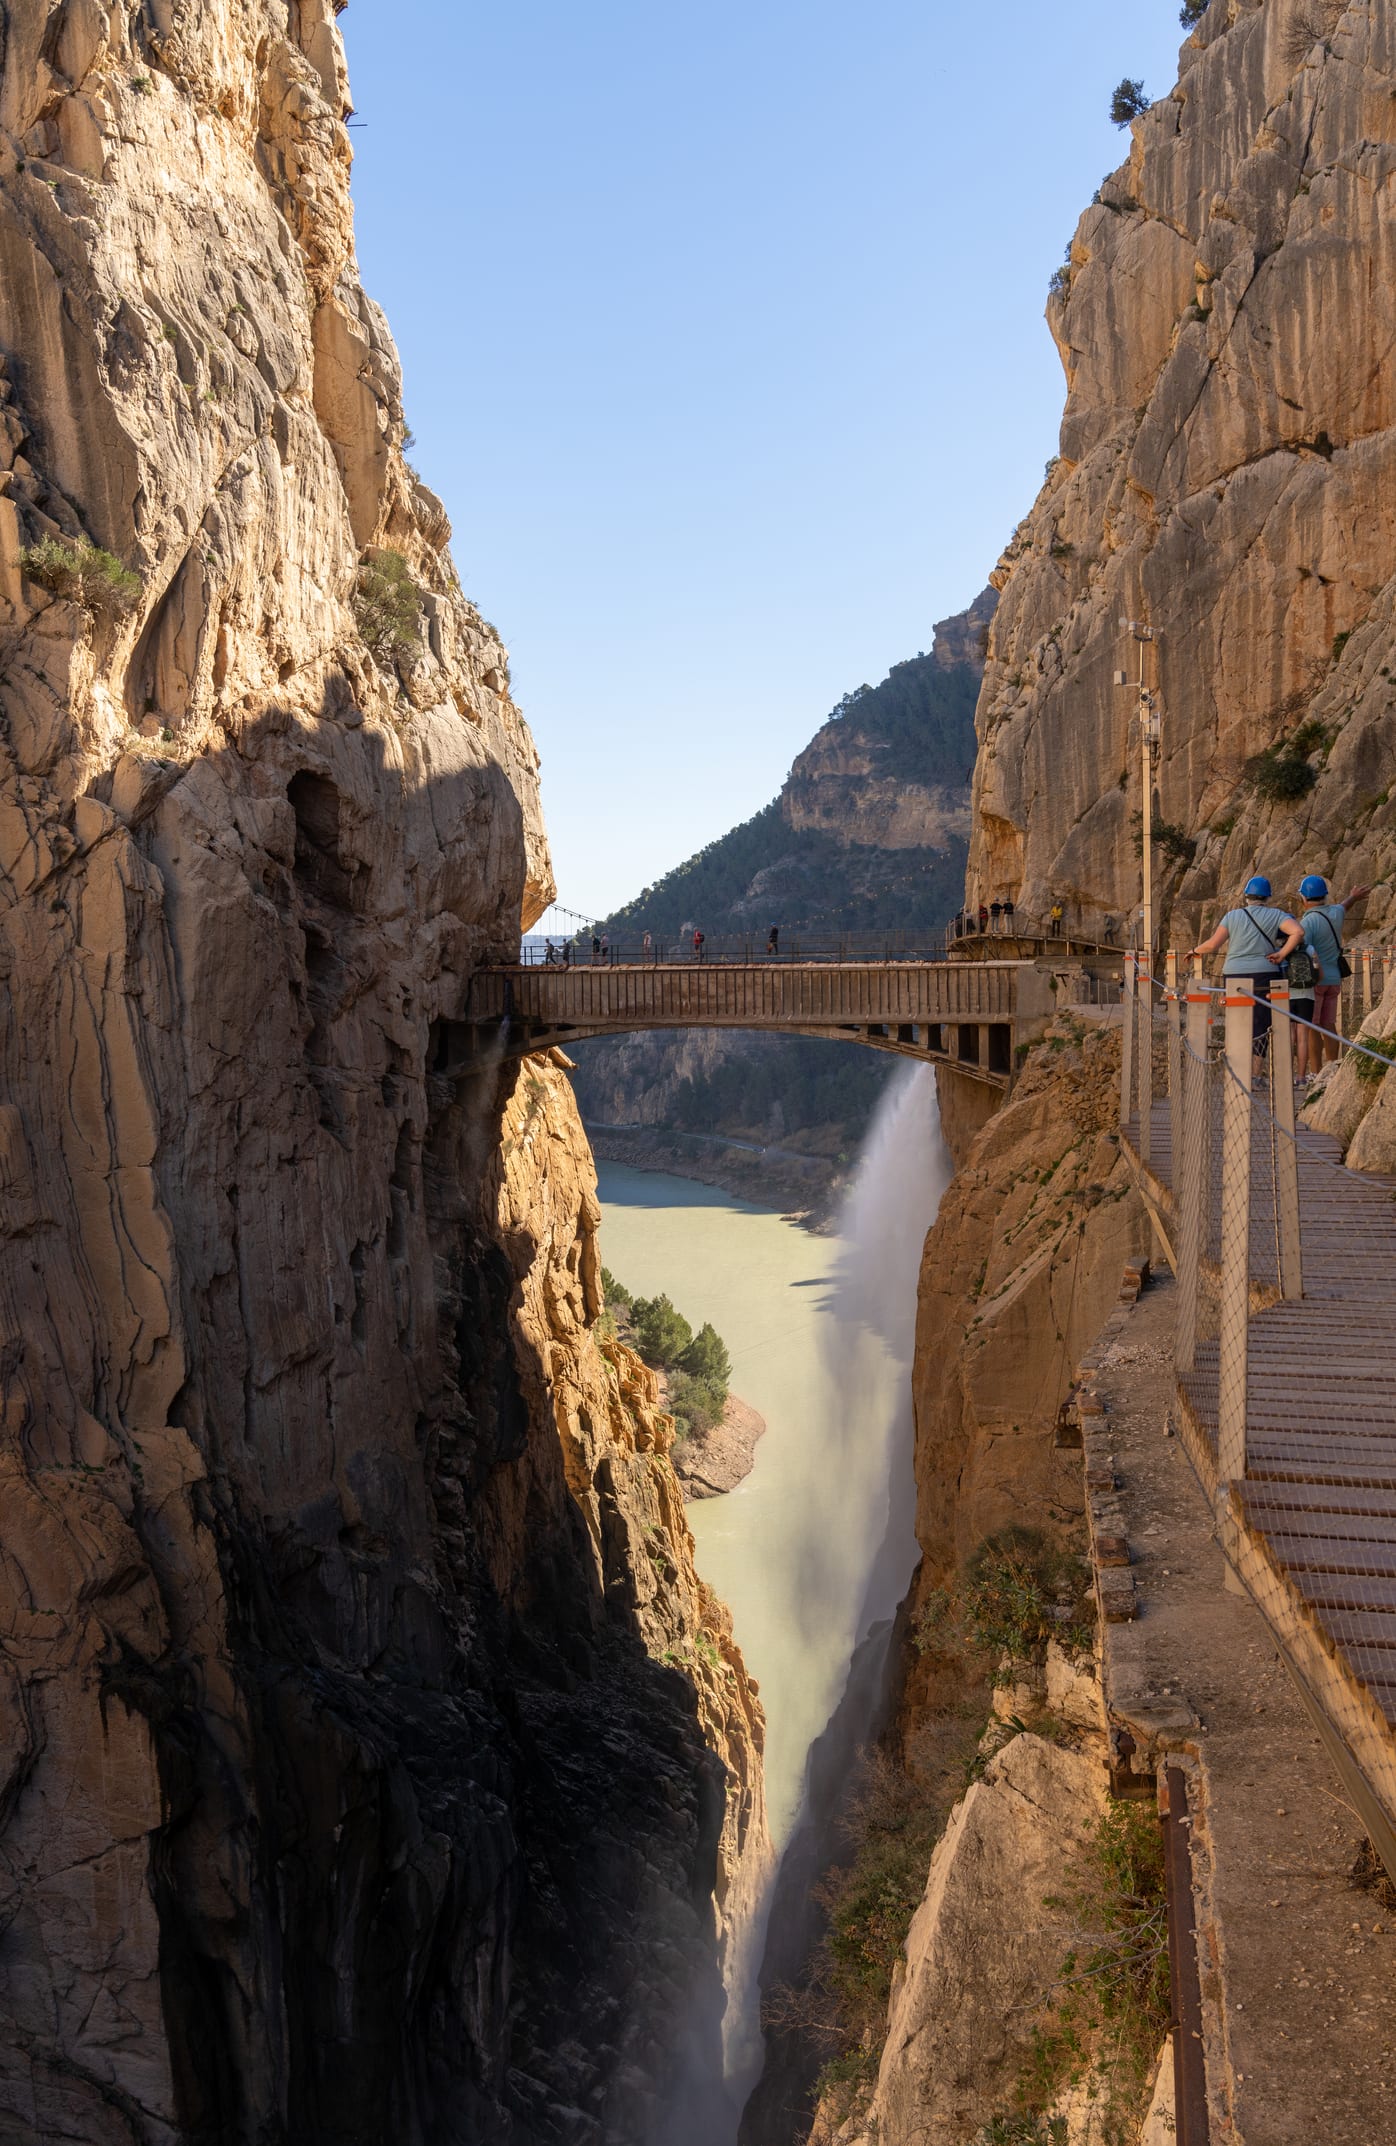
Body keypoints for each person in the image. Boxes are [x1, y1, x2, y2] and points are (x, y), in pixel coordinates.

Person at [1191, 875, 1304, 1067]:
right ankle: (1255, 1073)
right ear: (1267, 897)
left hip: (1234, 974)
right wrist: (1282, 954)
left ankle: (1237, 1068)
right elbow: (1298, 932)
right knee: (1260, 1023)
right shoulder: (1276, 915)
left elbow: (1212, 945)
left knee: (1238, 1021)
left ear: (1246, 897)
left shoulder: (1232, 916)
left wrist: (1194, 951)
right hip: (1265, 973)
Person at [1299, 873, 1373, 1069]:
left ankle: (1316, 1073)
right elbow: (1344, 905)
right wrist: (1354, 896)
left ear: (1304, 898)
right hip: (1334, 979)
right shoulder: (1335, 913)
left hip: (1316, 980)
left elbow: (1302, 950)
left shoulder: (1308, 922)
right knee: (1329, 1026)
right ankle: (1332, 1068)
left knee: (1313, 1028)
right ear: (1325, 895)